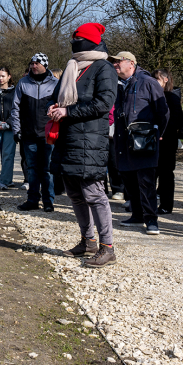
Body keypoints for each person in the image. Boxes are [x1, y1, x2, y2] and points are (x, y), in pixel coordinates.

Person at [47, 23, 119, 268]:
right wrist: (54, 106)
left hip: (90, 142)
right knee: (76, 194)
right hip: (68, 140)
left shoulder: (104, 68)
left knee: (94, 194)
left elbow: (102, 104)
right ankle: (87, 241)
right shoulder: (72, 66)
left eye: (78, 39)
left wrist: (67, 111)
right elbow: (58, 95)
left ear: (89, 41)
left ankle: (107, 247)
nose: (74, 43)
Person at [110, 52, 169, 235]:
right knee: (128, 179)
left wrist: (158, 132)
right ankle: (137, 215)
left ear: (131, 63)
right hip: (123, 141)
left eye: (119, 61)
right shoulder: (120, 85)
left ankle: (151, 220)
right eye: (114, 62)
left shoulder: (148, 82)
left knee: (146, 182)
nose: (115, 65)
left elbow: (163, 112)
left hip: (144, 140)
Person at [11, 53, 59, 212]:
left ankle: (48, 201)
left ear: (44, 64)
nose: (33, 66)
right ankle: (32, 199)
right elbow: (15, 108)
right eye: (31, 63)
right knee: (31, 169)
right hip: (28, 134)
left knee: (47, 169)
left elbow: (61, 107)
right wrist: (16, 129)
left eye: (36, 63)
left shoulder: (55, 84)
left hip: (48, 135)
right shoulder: (22, 83)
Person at [152, 69, 183, 215]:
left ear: (165, 79)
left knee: (165, 174)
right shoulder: (151, 96)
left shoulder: (171, 97)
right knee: (151, 173)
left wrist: (163, 133)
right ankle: (148, 203)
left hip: (167, 141)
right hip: (154, 139)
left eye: (157, 79)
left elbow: (177, 119)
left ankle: (166, 205)